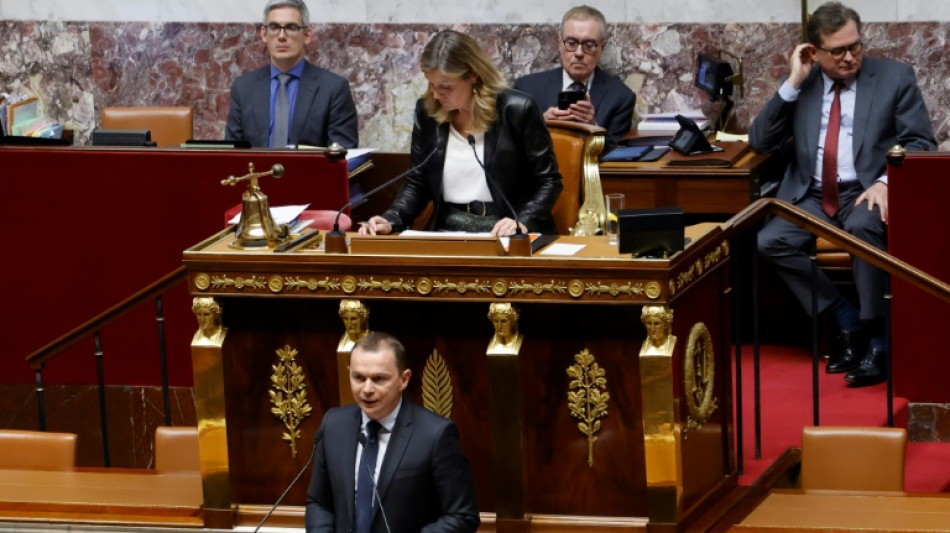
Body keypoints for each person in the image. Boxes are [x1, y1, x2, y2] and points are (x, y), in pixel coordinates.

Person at [749, 1, 936, 387]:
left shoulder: (894, 78)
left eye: (856, 46)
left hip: (864, 190)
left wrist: (885, 184)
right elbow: (761, 140)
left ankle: (878, 338)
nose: (850, 57)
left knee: (865, 230)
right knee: (769, 241)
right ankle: (844, 318)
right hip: (811, 194)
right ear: (814, 53)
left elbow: (921, 143)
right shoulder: (804, 83)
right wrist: (792, 80)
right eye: (838, 51)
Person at [359, 30, 562, 237]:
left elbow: (549, 181)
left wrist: (523, 221)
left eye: (446, 87)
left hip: (505, 232)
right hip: (447, 231)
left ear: (473, 75)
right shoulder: (428, 111)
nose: (436, 95)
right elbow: (418, 182)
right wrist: (392, 219)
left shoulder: (517, 110)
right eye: (431, 84)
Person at [305, 332, 480, 533]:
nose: (367, 389)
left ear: (404, 379)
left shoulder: (435, 435)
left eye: (379, 379)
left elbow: (462, 515)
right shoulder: (334, 424)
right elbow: (319, 502)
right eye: (359, 377)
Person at [225, 0, 358, 148]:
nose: (282, 36)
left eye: (291, 27)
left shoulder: (333, 89)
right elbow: (232, 152)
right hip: (256, 171)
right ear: (264, 33)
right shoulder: (243, 88)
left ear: (307, 35)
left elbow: (343, 155)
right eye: (274, 27)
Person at [513, 5, 636, 153]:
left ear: (602, 48)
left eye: (589, 45)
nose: (578, 53)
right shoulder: (526, 88)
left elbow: (618, 156)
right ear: (560, 43)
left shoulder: (621, 97)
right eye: (571, 43)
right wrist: (540, 124)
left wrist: (593, 129)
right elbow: (509, 145)